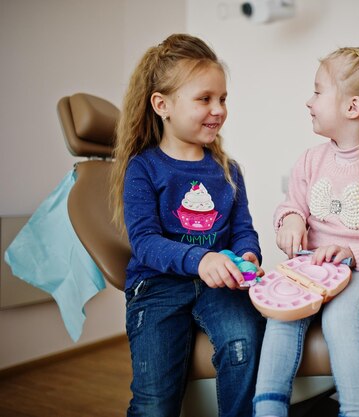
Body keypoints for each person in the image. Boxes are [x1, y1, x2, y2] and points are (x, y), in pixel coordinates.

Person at [253, 47, 359, 417]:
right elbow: (290, 206)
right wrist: (291, 221)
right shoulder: (310, 160)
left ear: (352, 107)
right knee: (282, 315)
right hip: (316, 269)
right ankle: (268, 411)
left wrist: (354, 255)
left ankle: (356, 411)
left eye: (317, 91)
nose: (308, 101)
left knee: (341, 317)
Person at [110, 33, 266, 417]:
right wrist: (200, 259)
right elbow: (145, 242)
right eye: (204, 99)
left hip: (220, 285)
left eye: (223, 98)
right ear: (162, 105)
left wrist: (247, 254)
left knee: (243, 343)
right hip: (158, 286)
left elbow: (243, 228)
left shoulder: (228, 171)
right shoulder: (143, 169)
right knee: (154, 403)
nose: (218, 109)